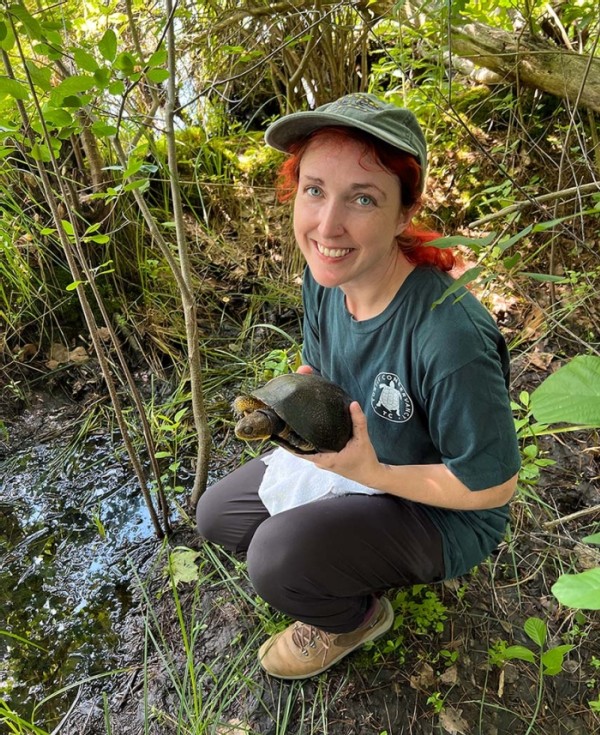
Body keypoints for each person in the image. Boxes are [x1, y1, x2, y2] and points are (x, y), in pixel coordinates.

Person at [196, 93, 521, 680]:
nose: (327, 226)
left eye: (362, 199)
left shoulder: (448, 336)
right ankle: (340, 552)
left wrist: (370, 474)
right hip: (359, 458)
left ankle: (356, 619)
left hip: (442, 505)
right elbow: (318, 371)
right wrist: (284, 410)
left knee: (276, 559)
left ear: (403, 214)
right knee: (217, 516)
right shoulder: (325, 274)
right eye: (314, 190)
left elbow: (492, 489)